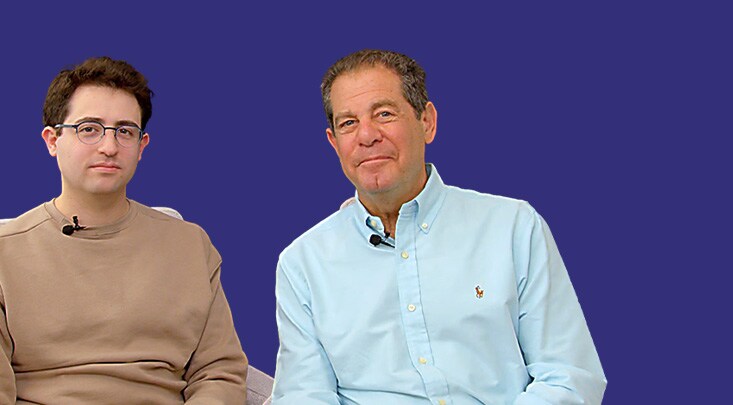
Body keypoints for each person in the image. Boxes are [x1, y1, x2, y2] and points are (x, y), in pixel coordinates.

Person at [273, 49, 606, 404]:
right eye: (348, 123)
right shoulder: (303, 264)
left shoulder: (513, 228)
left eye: (384, 114)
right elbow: (303, 396)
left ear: (427, 122)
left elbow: (568, 377)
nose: (366, 135)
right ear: (334, 142)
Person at [0, 57, 247, 404]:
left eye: (125, 131)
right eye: (89, 128)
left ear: (141, 146)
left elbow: (219, 372)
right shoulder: (7, 253)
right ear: (52, 140)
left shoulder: (190, 245)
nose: (109, 147)